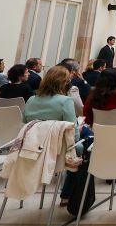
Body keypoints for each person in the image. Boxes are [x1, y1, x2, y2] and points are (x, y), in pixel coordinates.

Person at [22, 65, 79, 205]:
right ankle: (68, 195)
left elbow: (25, 124)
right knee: (86, 150)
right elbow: (73, 132)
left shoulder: (31, 100)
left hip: (32, 148)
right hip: (58, 149)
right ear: (63, 83)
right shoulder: (65, 101)